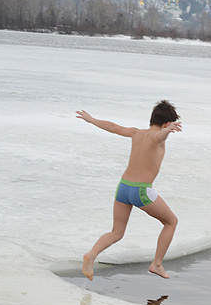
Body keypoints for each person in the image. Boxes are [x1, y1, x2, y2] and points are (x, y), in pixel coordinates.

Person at [76, 100, 182, 280]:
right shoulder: (157, 137)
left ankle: (91, 254)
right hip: (141, 191)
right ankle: (156, 264)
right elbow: (158, 137)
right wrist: (166, 131)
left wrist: (91, 120)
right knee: (171, 222)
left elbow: (113, 127)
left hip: (123, 187)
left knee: (116, 232)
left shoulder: (136, 133)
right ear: (166, 124)